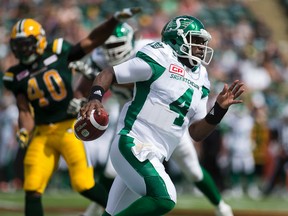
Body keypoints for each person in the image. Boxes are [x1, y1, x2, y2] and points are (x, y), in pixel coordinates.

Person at [79, 15, 244, 216]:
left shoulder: (201, 76)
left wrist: (218, 111)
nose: (202, 46)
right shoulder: (160, 56)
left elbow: (196, 132)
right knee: (164, 198)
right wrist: (95, 97)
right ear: (177, 39)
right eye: (196, 40)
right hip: (133, 143)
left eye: (203, 42)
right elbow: (109, 73)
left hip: (155, 152)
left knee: (112, 213)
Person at [2, 7, 141, 216]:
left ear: (38, 40)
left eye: (26, 44)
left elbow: (93, 39)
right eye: (18, 45)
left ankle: (118, 213)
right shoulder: (15, 75)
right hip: (42, 133)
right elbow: (24, 110)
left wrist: (114, 20)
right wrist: (24, 131)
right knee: (32, 187)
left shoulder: (58, 50)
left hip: (68, 127)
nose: (22, 50)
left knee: (83, 184)